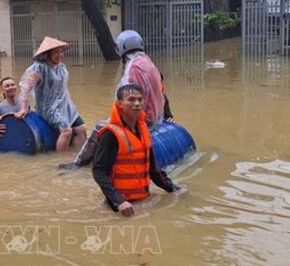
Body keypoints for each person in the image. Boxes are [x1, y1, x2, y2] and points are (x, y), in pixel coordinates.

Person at [60, 29, 173, 168]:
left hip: (141, 119)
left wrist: (117, 122)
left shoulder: (133, 68)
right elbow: (161, 93)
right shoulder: (148, 62)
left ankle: (78, 163)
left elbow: (129, 100)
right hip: (156, 118)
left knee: (98, 129)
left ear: (121, 48)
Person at [92, 83, 181, 217]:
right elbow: (99, 171)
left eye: (140, 99)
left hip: (143, 199)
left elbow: (153, 168)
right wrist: (118, 201)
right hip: (119, 207)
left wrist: (173, 189)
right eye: (131, 99)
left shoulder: (143, 128)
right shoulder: (110, 134)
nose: (137, 103)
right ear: (120, 103)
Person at [16, 36, 87, 152]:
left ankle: (78, 158)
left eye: (61, 52)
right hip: (49, 108)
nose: (59, 55)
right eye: (55, 53)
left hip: (65, 105)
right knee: (66, 131)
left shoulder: (62, 67)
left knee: (81, 129)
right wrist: (23, 108)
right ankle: (61, 162)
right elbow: (25, 88)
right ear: (47, 54)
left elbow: (64, 88)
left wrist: (71, 102)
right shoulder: (38, 68)